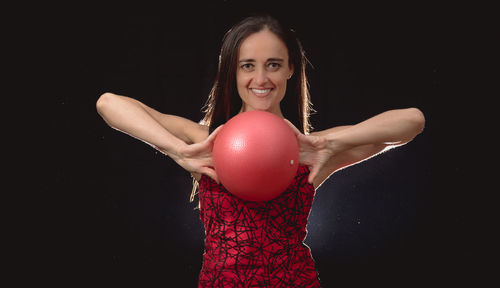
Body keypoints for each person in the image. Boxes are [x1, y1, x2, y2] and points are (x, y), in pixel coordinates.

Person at [96, 14, 425, 288]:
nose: (261, 78)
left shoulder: (313, 151)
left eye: (273, 64)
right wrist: (179, 151)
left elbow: (412, 121)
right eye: (247, 66)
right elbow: (109, 104)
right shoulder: (204, 142)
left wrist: (332, 144)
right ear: (233, 73)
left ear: (290, 69)